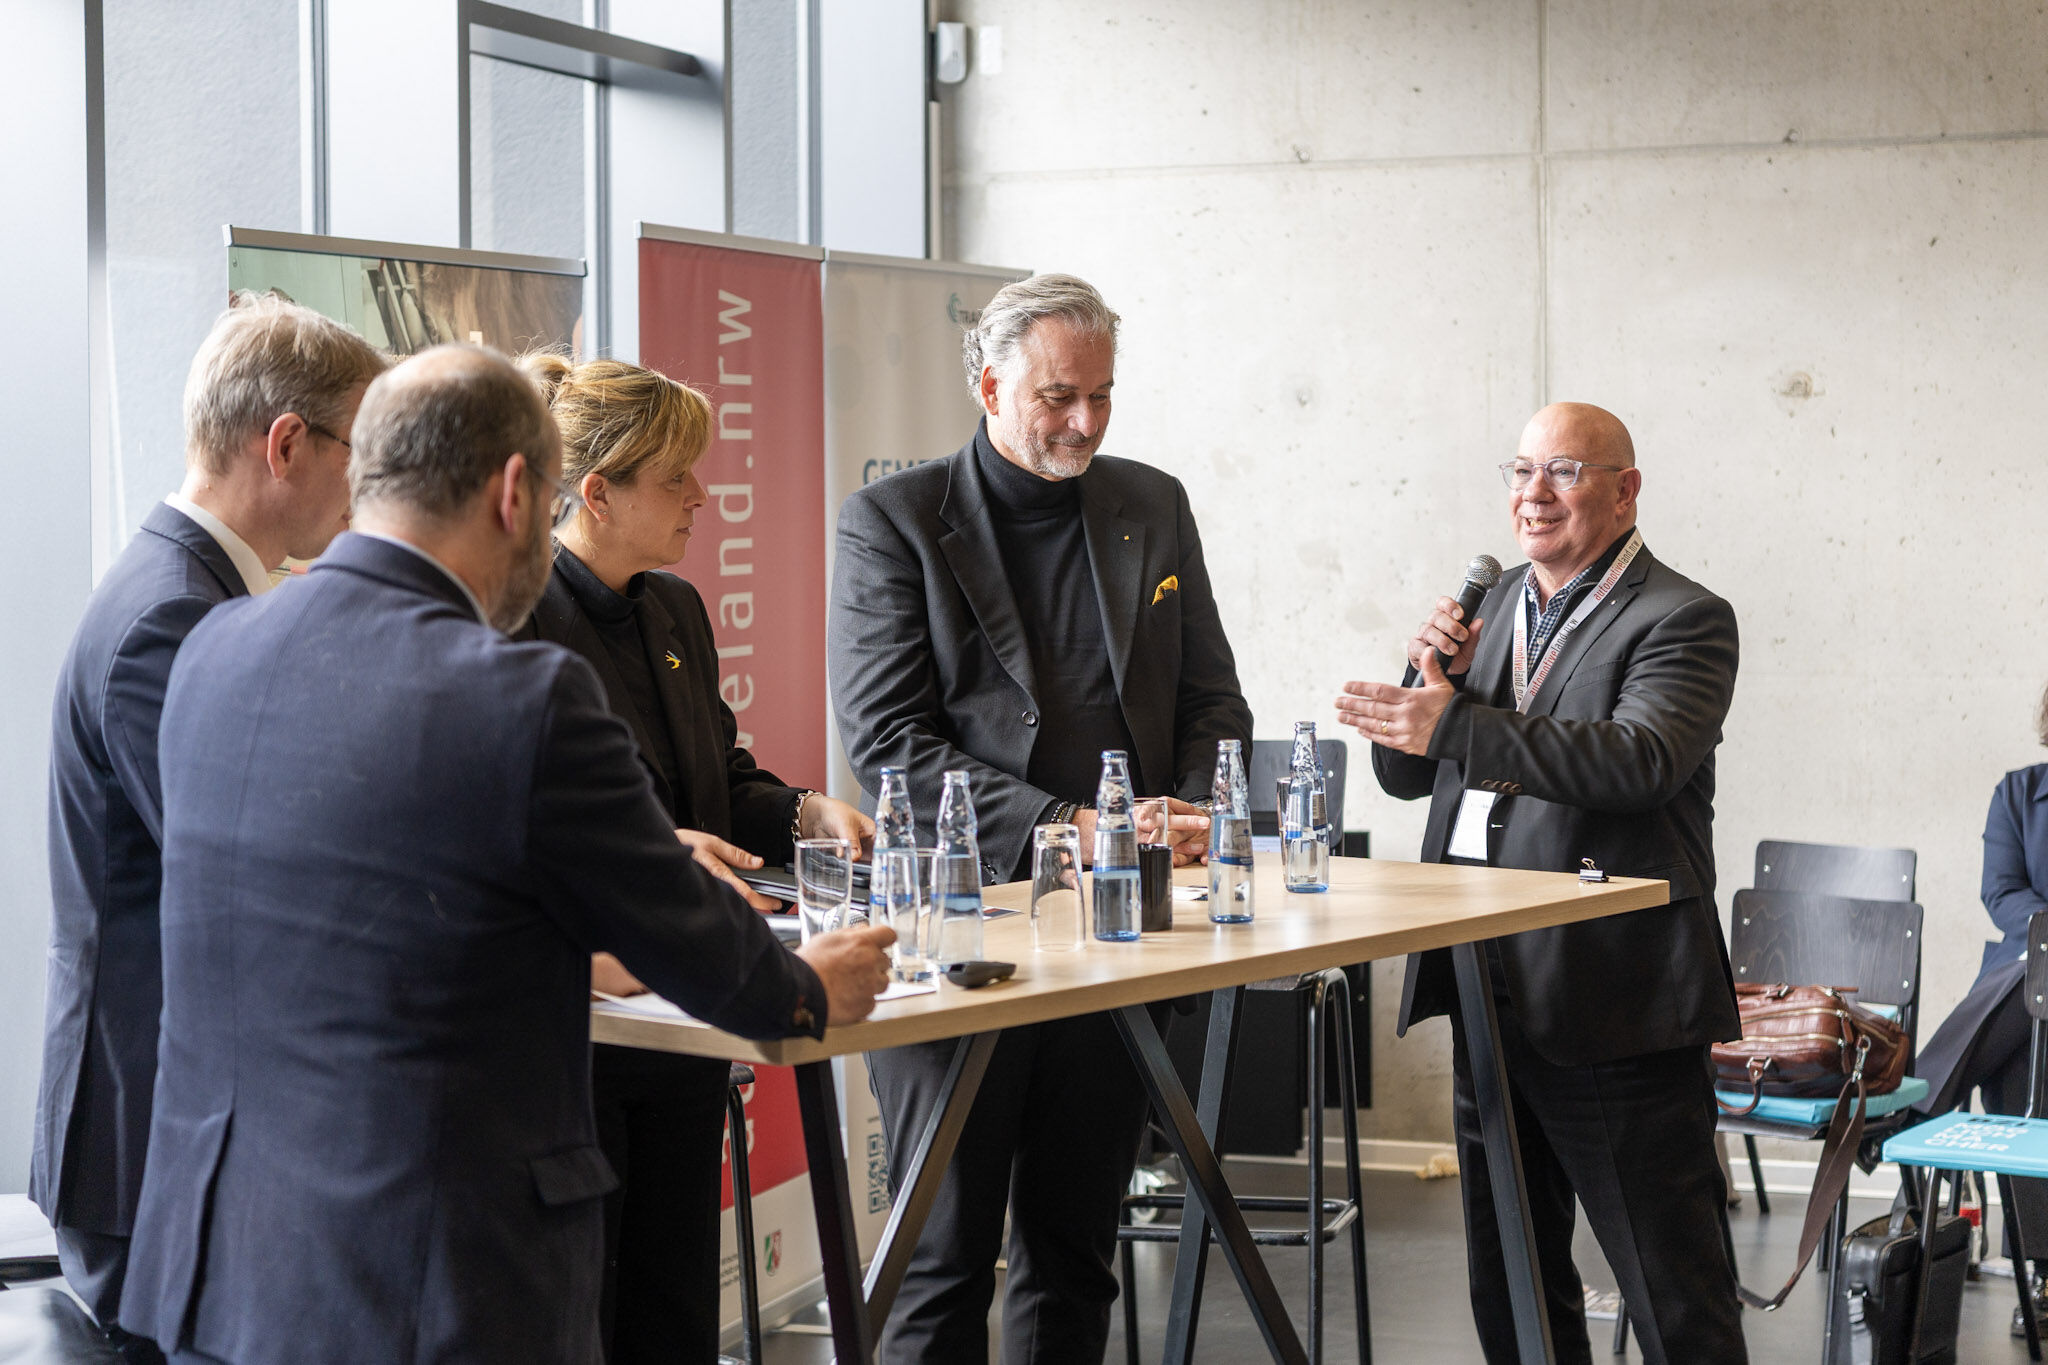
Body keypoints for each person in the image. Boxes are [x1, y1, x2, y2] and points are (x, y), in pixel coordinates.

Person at [119, 344, 895, 1365]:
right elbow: (668, 918)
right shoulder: (516, 694)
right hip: (431, 1270)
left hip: (221, 1262)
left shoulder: (214, 647)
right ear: (520, 491)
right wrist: (802, 990)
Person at [828, 273, 1252, 1363]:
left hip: (1116, 932)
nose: (1084, 423)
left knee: (1075, 1250)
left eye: (1101, 397)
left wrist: (1196, 809)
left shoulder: (1149, 504)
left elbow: (1210, 697)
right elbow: (889, 747)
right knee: (944, 1257)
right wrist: (1069, 826)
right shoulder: (893, 521)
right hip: (960, 928)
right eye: (1059, 397)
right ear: (988, 385)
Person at [1337, 402, 1746, 1365]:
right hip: (1486, 989)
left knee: (1671, 1296)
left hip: (1615, 998)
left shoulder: (1682, 616)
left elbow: (1640, 759)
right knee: (1513, 1283)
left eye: (1562, 470)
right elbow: (1407, 776)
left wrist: (1456, 726)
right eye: (1520, 470)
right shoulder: (1495, 605)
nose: (1533, 493)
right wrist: (1424, 672)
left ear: (1624, 488)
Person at [32, 294, 388, 1362]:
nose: (368, 488)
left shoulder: (186, 590)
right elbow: (241, 872)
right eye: (359, 453)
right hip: (146, 1140)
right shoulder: (169, 617)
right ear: (286, 444)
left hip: (172, 1124)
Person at [518, 353, 875, 1363]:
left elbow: (718, 781)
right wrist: (658, 846)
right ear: (595, 492)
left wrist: (805, 811)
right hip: (586, 1025)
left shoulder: (674, 610)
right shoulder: (515, 620)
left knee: (676, 1308)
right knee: (591, 1308)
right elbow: (534, 820)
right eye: (675, 477)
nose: (700, 496)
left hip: (688, 1002)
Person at [1912, 683, 2048, 1334]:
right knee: (2023, 1062)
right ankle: (2046, 1269)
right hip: (2028, 974)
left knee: (2020, 1044)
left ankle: (1918, 1103)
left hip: (2021, 991)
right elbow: (2001, 892)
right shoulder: (2018, 794)